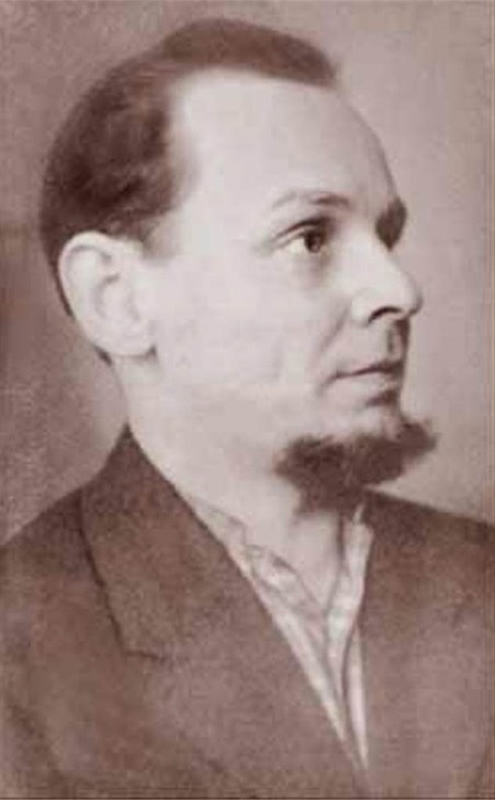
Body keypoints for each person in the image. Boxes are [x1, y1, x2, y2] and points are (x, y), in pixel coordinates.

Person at [0, 17, 493, 799]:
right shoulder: (19, 644)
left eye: (384, 237)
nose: (399, 291)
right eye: (309, 238)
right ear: (116, 298)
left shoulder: (480, 574)